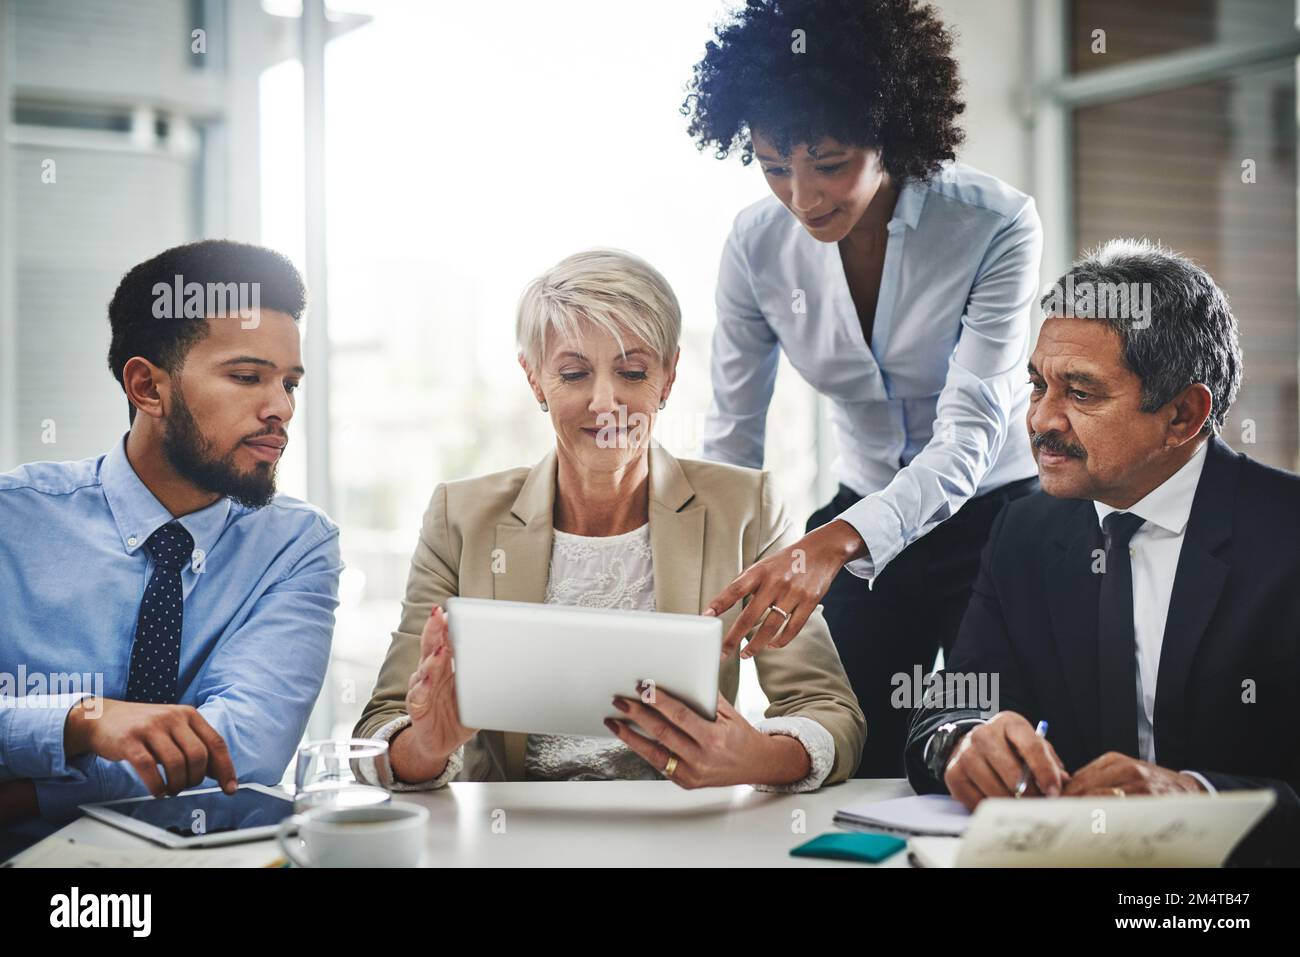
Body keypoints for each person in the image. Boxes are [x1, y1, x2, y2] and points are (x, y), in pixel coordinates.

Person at [682, 0, 1042, 775]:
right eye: (775, 166)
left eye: (830, 161)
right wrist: (710, 568)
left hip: (999, 510)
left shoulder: (995, 225)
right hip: (861, 499)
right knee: (852, 738)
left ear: (892, 133)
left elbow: (968, 438)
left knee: (992, 743)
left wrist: (836, 540)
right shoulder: (754, 247)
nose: (803, 197)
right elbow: (734, 438)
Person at [354, 249, 864, 792]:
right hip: (510, 838)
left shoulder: (747, 508)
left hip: (688, 834)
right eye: (573, 374)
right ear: (534, 381)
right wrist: (427, 745)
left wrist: (758, 758)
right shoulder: (461, 518)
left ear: (667, 379)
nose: (606, 402)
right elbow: (380, 728)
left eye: (633, 371)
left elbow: (831, 711)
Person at [905, 239, 1300, 867]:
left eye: (1081, 393)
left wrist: (1194, 796)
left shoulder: (1287, 534)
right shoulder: (1023, 531)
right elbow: (947, 708)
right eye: (1037, 385)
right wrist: (962, 742)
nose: (1041, 420)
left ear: (1183, 415)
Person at [0, 240, 342, 854]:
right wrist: (82, 719)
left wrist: (24, 791)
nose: (281, 409)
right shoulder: (12, 519)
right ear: (146, 387)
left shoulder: (296, 544)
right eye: (247, 377)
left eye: (290, 382)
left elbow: (244, 747)